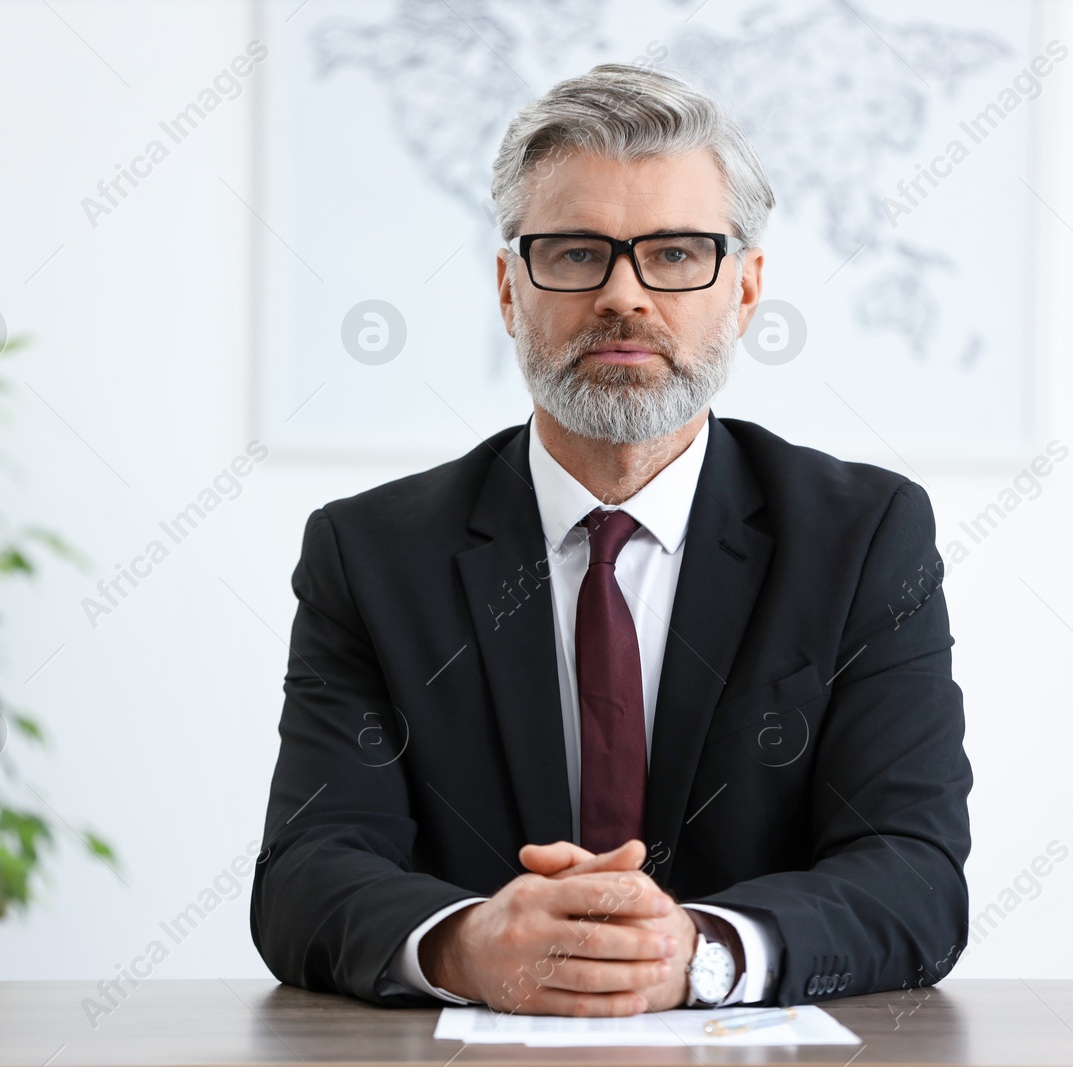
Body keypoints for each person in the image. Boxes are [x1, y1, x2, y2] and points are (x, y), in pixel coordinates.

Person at [250, 62, 973, 1016]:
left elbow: (915, 875)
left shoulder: (864, 537)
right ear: (510, 289)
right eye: (577, 252)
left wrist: (700, 949)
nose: (623, 295)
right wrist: (470, 944)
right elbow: (307, 867)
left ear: (746, 290)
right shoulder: (370, 554)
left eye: (676, 253)